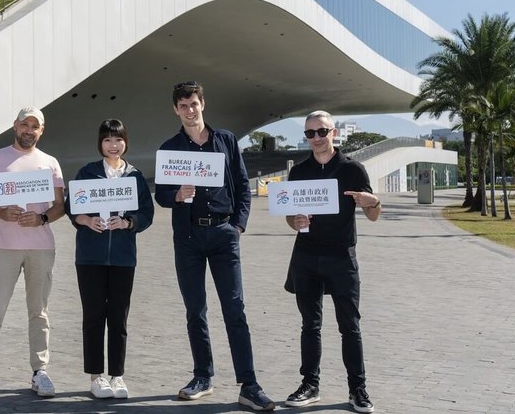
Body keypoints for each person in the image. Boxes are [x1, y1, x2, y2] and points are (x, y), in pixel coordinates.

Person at [154, 81, 274, 411]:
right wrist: (175, 196)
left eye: (194, 103)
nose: (189, 110)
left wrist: (237, 226)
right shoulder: (170, 149)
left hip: (223, 234)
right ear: (175, 110)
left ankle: (249, 384)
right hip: (189, 238)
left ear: (202, 104)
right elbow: (162, 194)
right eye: (183, 106)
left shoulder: (226, 141)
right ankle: (202, 377)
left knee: (235, 309)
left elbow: (242, 187)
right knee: (196, 311)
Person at [283, 110, 380, 414]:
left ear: (333, 133)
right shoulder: (299, 171)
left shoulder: (353, 169)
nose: (316, 138)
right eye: (310, 133)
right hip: (306, 255)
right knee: (310, 325)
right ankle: (310, 385)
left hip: (341, 256)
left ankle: (358, 389)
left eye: (321, 132)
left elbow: (374, 214)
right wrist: (294, 220)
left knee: (349, 326)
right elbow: (290, 215)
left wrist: (372, 202)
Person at [0, 106, 65, 400]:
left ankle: (40, 371)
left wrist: (43, 218)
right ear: (15, 125)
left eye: (34, 126)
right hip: (5, 247)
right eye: (25, 124)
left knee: (39, 312)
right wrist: (0, 212)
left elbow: (60, 205)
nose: (29, 130)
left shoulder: (49, 163)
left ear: (41, 131)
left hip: (41, 247)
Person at [64, 119, 155, 400]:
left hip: (123, 258)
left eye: (118, 140)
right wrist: (86, 220)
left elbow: (146, 214)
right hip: (90, 257)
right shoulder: (88, 172)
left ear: (125, 141)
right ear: (100, 143)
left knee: (118, 317)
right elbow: (70, 206)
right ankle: (96, 376)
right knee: (93, 316)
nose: (113, 145)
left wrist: (128, 223)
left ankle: (117, 375)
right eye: (107, 140)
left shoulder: (135, 176)